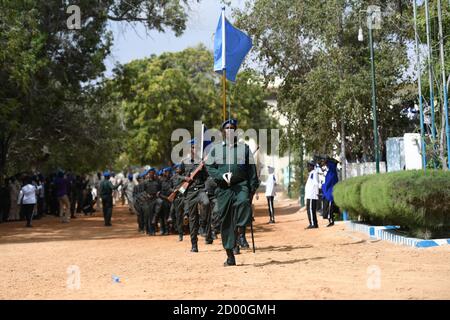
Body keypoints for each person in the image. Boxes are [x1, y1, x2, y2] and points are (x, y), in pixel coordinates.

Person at [206, 119, 260, 266]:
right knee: (226, 222)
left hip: (240, 185)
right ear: (223, 132)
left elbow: (252, 170)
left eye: (232, 128)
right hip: (223, 188)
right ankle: (230, 255)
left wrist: (252, 188)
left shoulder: (244, 148)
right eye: (227, 128)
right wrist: (220, 176)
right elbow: (209, 166)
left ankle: (240, 231)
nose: (229, 130)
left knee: (243, 203)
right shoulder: (216, 149)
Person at [181, 138, 211, 252]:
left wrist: (203, 168)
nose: (195, 149)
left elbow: (206, 177)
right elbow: (176, 177)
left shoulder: (201, 162)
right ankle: (194, 244)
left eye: (197, 148)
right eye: (193, 147)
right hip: (190, 192)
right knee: (192, 218)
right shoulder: (184, 162)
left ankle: (202, 223)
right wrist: (185, 178)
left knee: (207, 203)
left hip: (200, 190)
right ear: (190, 149)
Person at [142, 168, 161, 235]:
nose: (152, 174)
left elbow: (160, 188)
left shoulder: (157, 181)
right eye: (150, 173)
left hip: (156, 198)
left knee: (158, 209)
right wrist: (147, 195)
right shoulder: (145, 182)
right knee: (150, 216)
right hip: (149, 200)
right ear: (148, 174)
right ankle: (151, 231)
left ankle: (155, 225)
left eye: (153, 173)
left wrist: (159, 192)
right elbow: (143, 191)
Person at [322, 158, 340, 227]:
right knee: (327, 208)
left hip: (330, 193)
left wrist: (323, 186)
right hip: (327, 193)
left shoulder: (332, 172)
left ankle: (331, 221)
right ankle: (330, 220)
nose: (326, 165)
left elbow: (328, 183)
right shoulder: (330, 172)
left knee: (330, 209)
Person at [305, 161, 320, 229]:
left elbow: (316, 183)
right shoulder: (312, 173)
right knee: (310, 209)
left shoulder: (314, 173)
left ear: (312, 166)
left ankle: (313, 224)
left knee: (310, 209)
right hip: (310, 195)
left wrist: (317, 192)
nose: (307, 167)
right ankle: (313, 223)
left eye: (308, 166)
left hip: (312, 195)